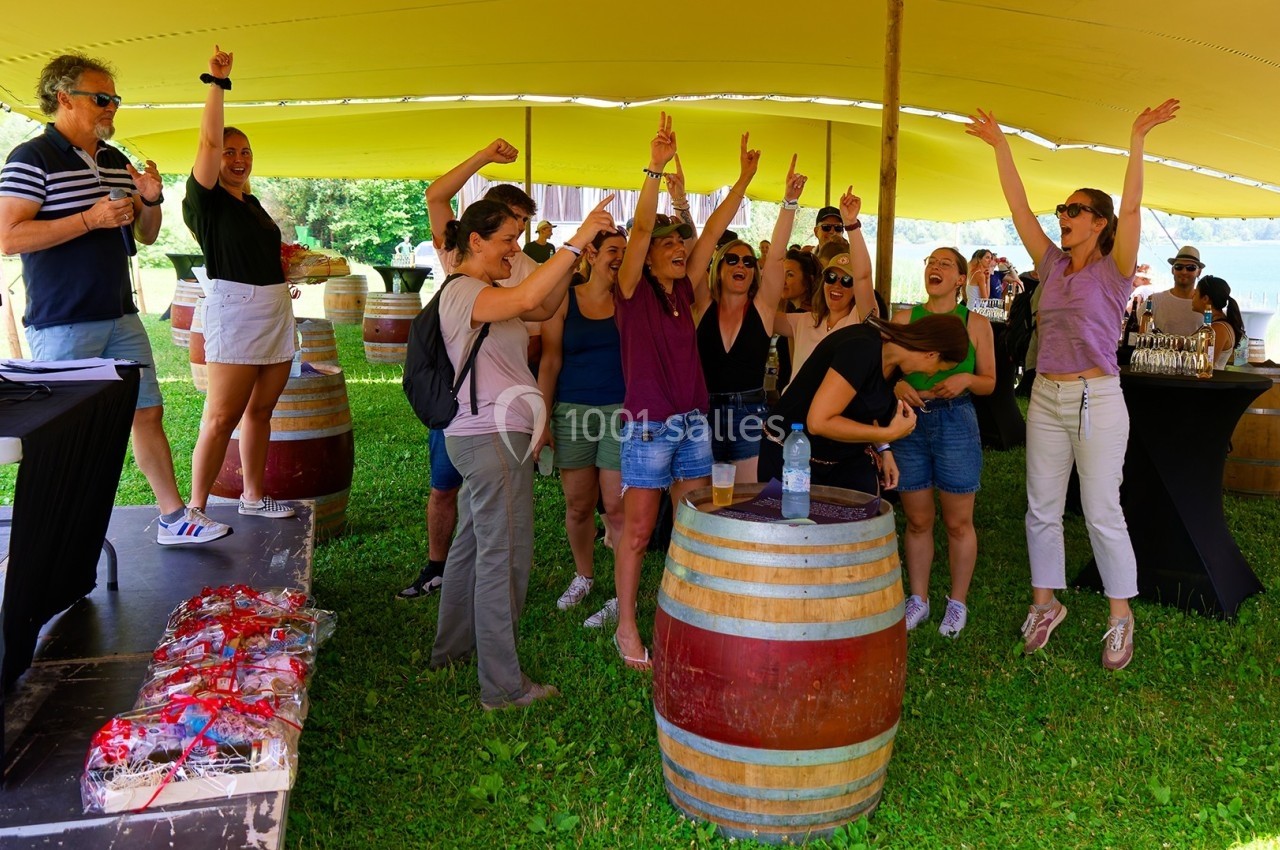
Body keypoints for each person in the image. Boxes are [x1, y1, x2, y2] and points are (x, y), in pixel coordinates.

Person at [967, 98, 1180, 670]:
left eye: (1076, 209)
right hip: (1046, 395)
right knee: (1041, 506)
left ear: (1098, 223)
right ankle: (1046, 603)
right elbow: (1017, 206)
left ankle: (1120, 617)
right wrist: (1001, 145)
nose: (1063, 215)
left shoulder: (1115, 270)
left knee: (1101, 508)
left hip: (1097, 399)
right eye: (1062, 208)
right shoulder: (1052, 263)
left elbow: (1133, 206)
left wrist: (1136, 139)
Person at [0, 53, 230, 545]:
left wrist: (149, 200)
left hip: (120, 313)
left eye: (115, 100)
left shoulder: (113, 159)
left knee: (147, 411)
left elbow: (145, 236)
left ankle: (173, 517)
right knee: (62, 431)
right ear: (63, 98)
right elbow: (9, 236)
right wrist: (89, 219)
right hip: (63, 319)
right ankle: (47, 536)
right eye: (101, 98)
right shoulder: (31, 158)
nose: (112, 108)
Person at [429, 196, 615, 710]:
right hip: (491, 436)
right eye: (509, 239)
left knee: (471, 545)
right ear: (475, 241)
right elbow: (531, 292)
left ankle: (453, 647)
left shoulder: (487, 291)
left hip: (482, 435)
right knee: (504, 558)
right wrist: (575, 240)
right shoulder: (468, 292)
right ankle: (504, 687)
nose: (516, 249)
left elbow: (546, 304)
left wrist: (580, 260)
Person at [598, 113, 756, 670]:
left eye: (679, 248)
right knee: (638, 531)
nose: (679, 252)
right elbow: (640, 233)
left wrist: (741, 182)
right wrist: (654, 168)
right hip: (648, 425)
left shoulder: (683, 291)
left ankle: (685, 614)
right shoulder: (632, 289)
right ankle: (625, 627)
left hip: (692, 422)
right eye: (670, 247)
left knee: (691, 524)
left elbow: (711, 232)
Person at [401, 140, 550, 599]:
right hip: (454, 392)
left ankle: (463, 576)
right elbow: (435, 196)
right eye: (510, 222)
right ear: (480, 230)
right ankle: (436, 566)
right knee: (445, 485)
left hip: (502, 404)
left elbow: (540, 321)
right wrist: (483, 156)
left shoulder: (521, 264)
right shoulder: (458, 257)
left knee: (483, 497)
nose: (517, 233)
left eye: (523, 223)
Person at [184, 46, 296, 523]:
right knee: (221, 416)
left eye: (245, 151)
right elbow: (207, 145)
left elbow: (262, 255)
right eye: (230, 151)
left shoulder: (250, 203)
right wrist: (217, 83)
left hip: (273, 310)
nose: (237, 158)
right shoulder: (205, 200)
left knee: (261, 412)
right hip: (235, 308)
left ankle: (252, 496)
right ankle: (194, 509)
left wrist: (289, 273)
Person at [890, 248, 996, 638]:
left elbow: (990, 381)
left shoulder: (976, 324)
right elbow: (884, 370)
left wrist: (965, 380)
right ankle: (918, 600)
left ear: (959, 280)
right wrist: (897, 384)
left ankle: (957, 602)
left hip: (956, 420)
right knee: (917, 520)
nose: (934, 268)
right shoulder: (904, 319)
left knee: (958, 521)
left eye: (944, 264)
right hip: (909, 422)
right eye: (929, 262)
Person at [759, 315, 970, 494]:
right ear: (931, 353)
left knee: (854, 533)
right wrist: (888, 435)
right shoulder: (861, 347)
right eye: (939, 367)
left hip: (840, 462)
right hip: (793, 458)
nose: (932, 374)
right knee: (795, 538)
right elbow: (819, 422)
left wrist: (884, 450)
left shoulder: (894, 366)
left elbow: (864, 411)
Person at [535, 228, 628, 612]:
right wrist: (542, 418)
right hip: (572, 411)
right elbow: (550, 361)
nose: (620, 257)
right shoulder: (564, 300)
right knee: (577, 505)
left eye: (625, 251)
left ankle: (623, 592)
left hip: (620, 412)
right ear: (590, 253)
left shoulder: (629, 302)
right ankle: (584, 576)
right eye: (612, 250)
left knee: (616, 507)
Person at [697, 155, 805, 483]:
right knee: (706, 504)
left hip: (750, 413)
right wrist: (741, 180)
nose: (741, 265)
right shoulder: (701, 304)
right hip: (703, 413)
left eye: (746, 260)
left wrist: (789, 203)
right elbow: (701, 241)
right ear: (718, 266)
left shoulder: (762, 308)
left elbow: (776, 255)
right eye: (732, 259)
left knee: (746, 505)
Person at [775, 189, 875, 386]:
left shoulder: (860, 321)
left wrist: (851, 225)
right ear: (822, 281)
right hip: (795, 414)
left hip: (829, 415)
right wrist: (789, 203)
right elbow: (764, 312)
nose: (837, 284)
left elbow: (864, 277)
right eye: (831, 277)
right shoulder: (804, 320)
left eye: (847, 280)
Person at [1193, 275, 1245, 370]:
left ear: (1205, 298)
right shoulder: (1213, 324)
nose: (1192, 296)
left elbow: (1205, 366)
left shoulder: (1218, 329)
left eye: (1195, 293)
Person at [1154, 245, 1207, 335]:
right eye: (1179, 267)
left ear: (1199, 272)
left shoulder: (1206, 304)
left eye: (1191, 268)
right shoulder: (1155, 300)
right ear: (1172, 270)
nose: (1184, 271)